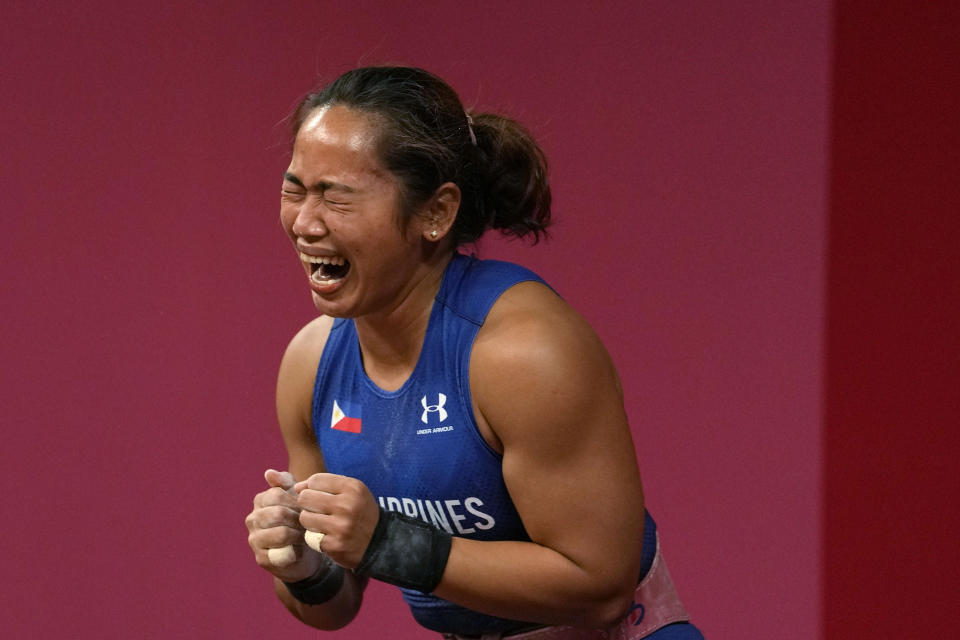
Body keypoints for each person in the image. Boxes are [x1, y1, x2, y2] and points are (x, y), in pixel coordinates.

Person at [245, 66, 704, 640]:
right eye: (295, 190)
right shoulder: (310, 365)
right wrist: (303, 566)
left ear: (435, 214)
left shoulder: (522, 353)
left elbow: (602, 585)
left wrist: (390, 543)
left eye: (336, 198)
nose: (305, 223)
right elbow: (336, 606)